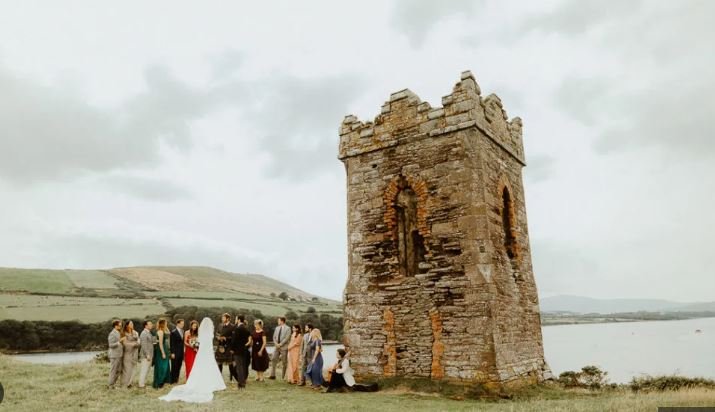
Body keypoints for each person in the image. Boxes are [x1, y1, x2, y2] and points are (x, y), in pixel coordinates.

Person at [159, 317, 227, 403]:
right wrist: (195, 345)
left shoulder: (201, 333)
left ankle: (198, 381)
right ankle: (210, 382)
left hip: (201, 353)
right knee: (208, 367)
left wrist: (196, 345)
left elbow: (199, 342)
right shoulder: (210, 334)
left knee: (198, 367)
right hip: (207, 353)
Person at [229, 315, 251, 389]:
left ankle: (241, 384)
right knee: (242, 366)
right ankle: (242, 382)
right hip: (243, 350)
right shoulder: (245, 329)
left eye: (236, 319)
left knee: (239, 367)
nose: (235, 320)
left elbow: (234, 340)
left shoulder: (238, 329)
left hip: (237, 350)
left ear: (238, 320)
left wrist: (232, 349)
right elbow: (248, 337)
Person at [215, 313, 236, 381]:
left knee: (230, 363)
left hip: (228, 347)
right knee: (219, 362)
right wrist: (218, 338)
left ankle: (231, 379)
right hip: (220, 346)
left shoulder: (232, 326)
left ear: (228, 319)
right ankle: (219, 378)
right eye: (222, 318)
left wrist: (225, 338)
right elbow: (217, 334)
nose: (222, 319)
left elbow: (234, 338)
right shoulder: (220, 325)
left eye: (223, 318)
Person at [153, 318, 172, 389]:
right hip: (161, 350)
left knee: (166, 366)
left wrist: (166, 327)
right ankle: (159, 382)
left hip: (165, 349)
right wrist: (163, 353)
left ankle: (163, 381)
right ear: (163, 324)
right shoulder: (160, 332)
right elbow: (160, 343)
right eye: (165, 323)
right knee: (162, 367)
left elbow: (169, 333)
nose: (167, 324)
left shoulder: (164, 330)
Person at [120, 320, 140, 388]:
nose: (132, 325)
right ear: (127, 325)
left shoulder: (136, 333)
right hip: (127, 353)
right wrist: (134, 344)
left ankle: (129, 383)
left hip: (135, 352)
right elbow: (125, 343)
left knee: (133, 369)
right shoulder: (123, 333)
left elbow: (139, 342)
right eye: (131, 324)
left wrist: (136, 344)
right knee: (127, 369)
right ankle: (124, 384)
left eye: (132, 323)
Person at [107, 319, 124, 388]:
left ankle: (113, 384)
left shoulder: (118, 332)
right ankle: (110, 385)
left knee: (119, 370)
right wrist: (119, 342)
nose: (121, 326)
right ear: (115, 326)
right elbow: (110, 345)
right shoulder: (112, 333)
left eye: (121, 325)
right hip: (114, 355)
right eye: (120, 325)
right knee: (113, 370)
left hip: (119, 354)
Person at [138, 320, 154, 388]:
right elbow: (144, 345)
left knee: (147, 370)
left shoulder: (149, 333)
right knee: (144, 369)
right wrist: (147, 354)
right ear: (146, 326)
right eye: (150, 324)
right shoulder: (144, 333)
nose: (151, 325)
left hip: (150, 354)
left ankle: (143, 383)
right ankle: (141, 384)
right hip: (146, 355)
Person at [170, 319, 185, 384]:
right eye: (181, 324)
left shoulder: (183, 331)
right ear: (178, 324)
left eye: (183, 324)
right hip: (175, 352)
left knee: (179, 366)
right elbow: (172, 343)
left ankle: (176, 379)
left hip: (181, 352)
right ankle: (172, 380)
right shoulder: (173, 332)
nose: (183, 325)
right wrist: (172, 353)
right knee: (174, 366)